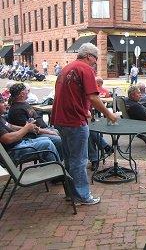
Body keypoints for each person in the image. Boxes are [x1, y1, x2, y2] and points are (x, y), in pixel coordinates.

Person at [51, 43, 118, 206]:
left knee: (69, 158)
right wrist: (109, 114)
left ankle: (72, 194)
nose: (95, 63)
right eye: (95, 59)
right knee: (79, 160)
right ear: (89, 56)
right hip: (74, 121)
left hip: (60, 120)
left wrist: (83, 108)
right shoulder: (85, 69)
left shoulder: (66, 69)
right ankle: (83, 196)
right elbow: (94, 97)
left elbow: (71, 94)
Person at [7, 83, 63, 159]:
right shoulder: (16, 110)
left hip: (40, 129)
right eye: (27, 91)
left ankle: (55, 161)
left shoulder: (24, 103)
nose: (28, 93)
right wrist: (48, 131)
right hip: (31, 135)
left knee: (60, 131)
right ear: (22, 94)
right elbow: (29, 129)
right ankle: (55, 163)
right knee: (57, 139)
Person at [0, 94, 60, 164]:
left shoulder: (1, 118)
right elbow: (8, 139)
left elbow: (11, 126)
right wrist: (26, 129)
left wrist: (30, 127)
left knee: (48, 139)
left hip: (19, 144)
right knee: (48, 144)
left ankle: (53, 168)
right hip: (12, 151)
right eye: (2, 102)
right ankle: (57, 170)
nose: (5, 104)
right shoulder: (17, 109)